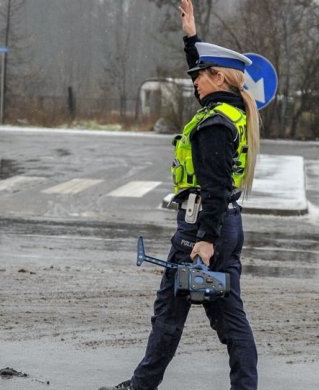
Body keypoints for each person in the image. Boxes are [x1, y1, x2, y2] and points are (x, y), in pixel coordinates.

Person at [98, 1, 261, 389]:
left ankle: (141, 386)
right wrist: (191, 36)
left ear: (218, 77)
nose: (194, 82)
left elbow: (216, 188)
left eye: (200, 76)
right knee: (229, 320)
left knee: (170, 315)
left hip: (202, 228)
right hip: (224, 227)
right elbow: (205, 74)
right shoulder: (233, 109)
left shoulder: (216, 125)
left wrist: (204, 240)